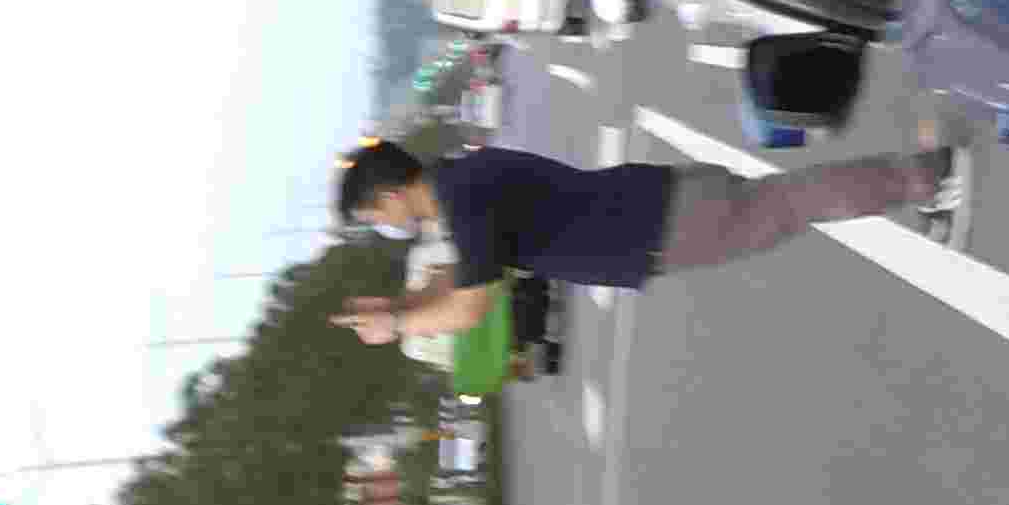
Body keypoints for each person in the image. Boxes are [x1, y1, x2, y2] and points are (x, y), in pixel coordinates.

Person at [328, 119, 970, 345]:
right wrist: (397, 306)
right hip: (657, 208)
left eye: (374, 216)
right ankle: (920, 178)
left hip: (664, 225)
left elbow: (469, 306)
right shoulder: (459, 186)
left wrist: (401, 324)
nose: (382, 226)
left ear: (388, 195)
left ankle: (928, 177)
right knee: (790, 202)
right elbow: (456, 278)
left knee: (796, 202)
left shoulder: (463, 200)